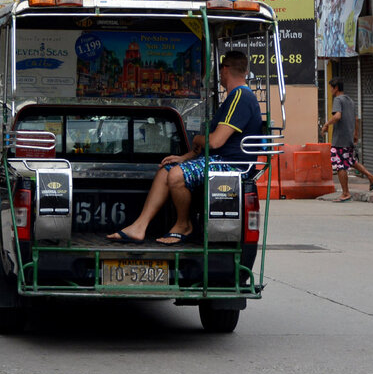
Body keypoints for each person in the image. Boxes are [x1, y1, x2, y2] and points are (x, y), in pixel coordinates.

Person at [107, 50, 262, 245]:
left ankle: (184, 225)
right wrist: (185, 157)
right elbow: (212, 146)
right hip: (217, 159)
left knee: (177, 175)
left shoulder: (240, 96)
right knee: (166, 171)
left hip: (232, 166)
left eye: (220, 70)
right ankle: (139, 226)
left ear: (225, 69)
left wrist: (197, 138)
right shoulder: (235, 98)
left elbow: (215, 142)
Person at [321, 78, 373, 201]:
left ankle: (345, 193)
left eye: (331, 88)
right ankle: (371, 177)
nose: (330, 90)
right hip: (348, 138)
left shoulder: (338, 100)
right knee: (351, 161)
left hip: (340, 139)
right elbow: (356, 119)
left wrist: (326, 124)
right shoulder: (350, 100)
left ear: (336, 88)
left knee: (340, 165)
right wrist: (355, 134)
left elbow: (337, 116)